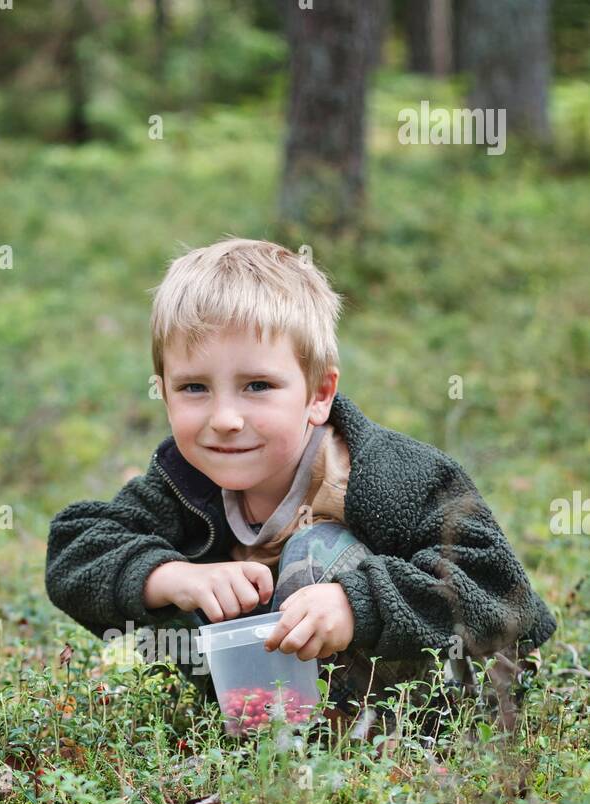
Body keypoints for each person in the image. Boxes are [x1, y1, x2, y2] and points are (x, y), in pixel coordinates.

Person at [45, 237, 556, 735]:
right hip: (276, 702)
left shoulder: (387, 474)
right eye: (194, 387)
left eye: (258, 386)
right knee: (191, 577)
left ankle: (328, 738)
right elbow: (75, 549)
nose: (224, 418)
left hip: (441, 696)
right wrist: (173, 576)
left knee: (316, 550)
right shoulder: (185, 481)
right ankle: (281, 732)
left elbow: (501, 591)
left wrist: (357, 605)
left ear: (319, 394)